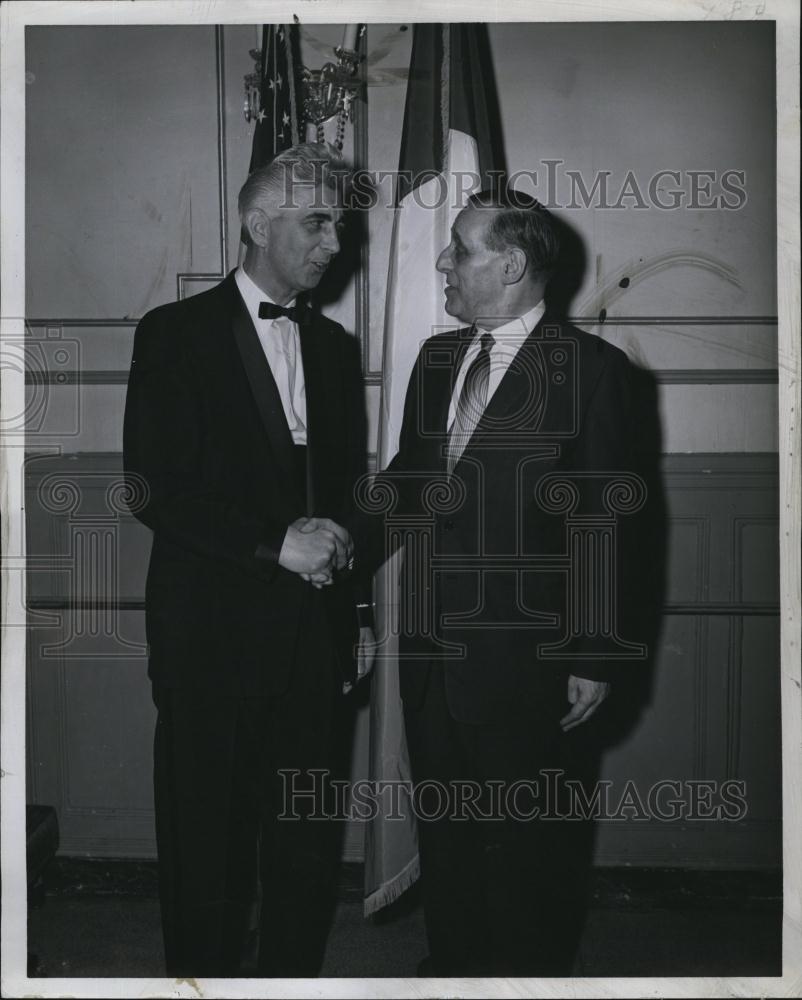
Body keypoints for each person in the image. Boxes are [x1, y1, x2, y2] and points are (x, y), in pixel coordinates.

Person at [354, 189, 641, 976]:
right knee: (448, 835)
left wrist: (594, 653)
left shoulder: (593, 374)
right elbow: (410, 483)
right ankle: (452, 970)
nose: (443, 262)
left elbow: (608, 522)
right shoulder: (438, 359)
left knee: (526, 852)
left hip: (531, 665)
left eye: (461, 249)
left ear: (511, 264)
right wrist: (339, 547)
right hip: (432, 655)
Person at [123, 143, 373, 978]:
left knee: (304, 852)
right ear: (258, 225)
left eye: (338, 223)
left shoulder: (335, 349)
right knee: (206, 854)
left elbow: (343, 493)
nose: (335, 242)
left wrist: (352, 597)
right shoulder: (174, 335)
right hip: (211, 643)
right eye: (318, 221)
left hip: (313, 642)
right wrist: (276, 547)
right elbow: (156, 489)